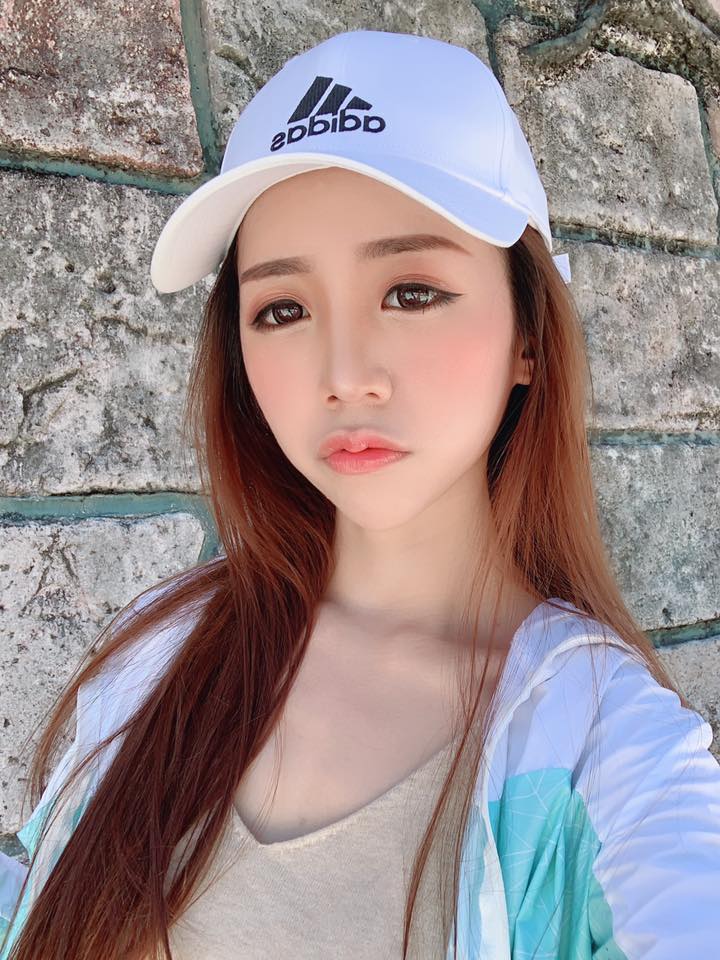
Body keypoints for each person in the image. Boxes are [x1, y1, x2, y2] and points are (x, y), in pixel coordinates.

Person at [1, 28, 719, 960]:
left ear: (527, 338)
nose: (344, 376)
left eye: (411, 292)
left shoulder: (604, 749)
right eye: (283, 309)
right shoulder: (160, 652)